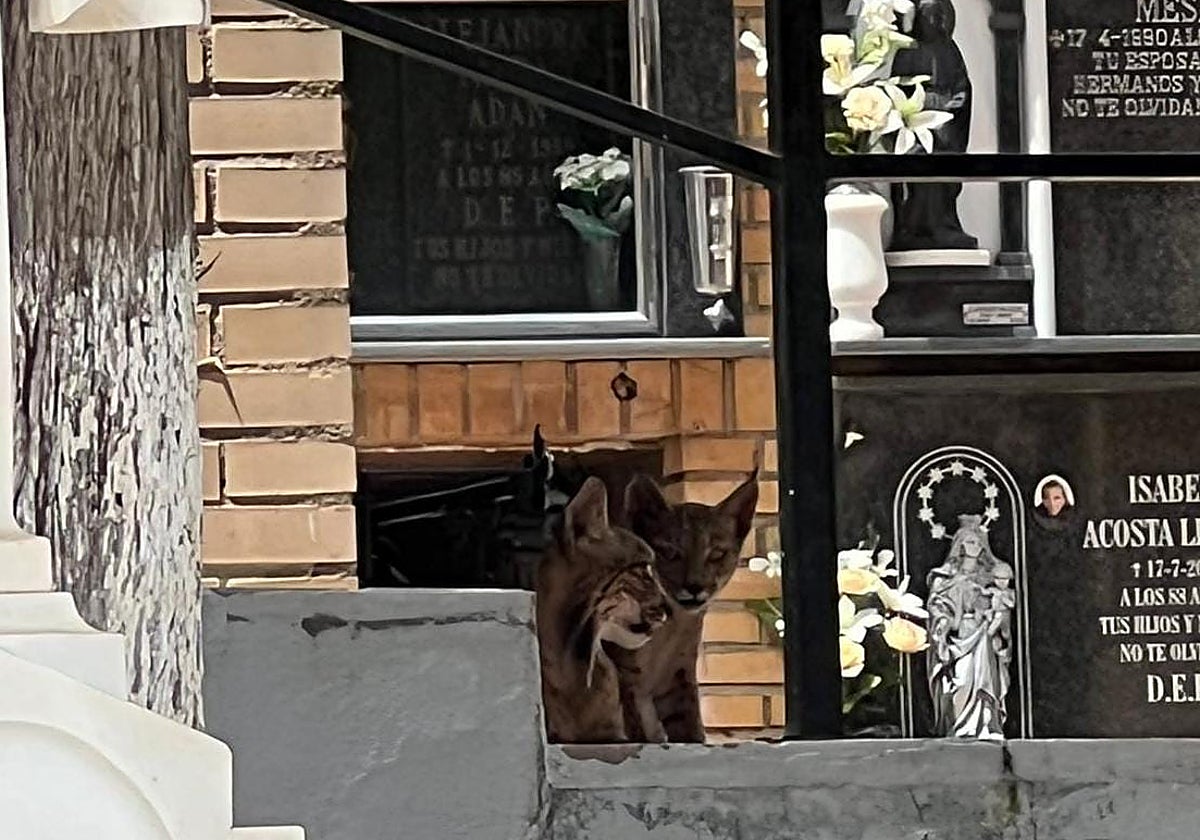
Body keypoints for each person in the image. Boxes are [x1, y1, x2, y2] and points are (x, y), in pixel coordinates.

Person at [926, 514, 1014, 740]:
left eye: (977, 542)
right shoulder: (944, 578)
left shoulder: (990, 577)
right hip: (960, 635)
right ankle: (959, 726)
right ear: (960, 545)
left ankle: (985, 725)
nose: (974, 546)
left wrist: (995, 618)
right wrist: (945, 622)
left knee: (985, 682)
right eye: (969, 541)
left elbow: (1002, 605)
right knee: (962, 679)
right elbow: (936, 608)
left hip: (983, 634)